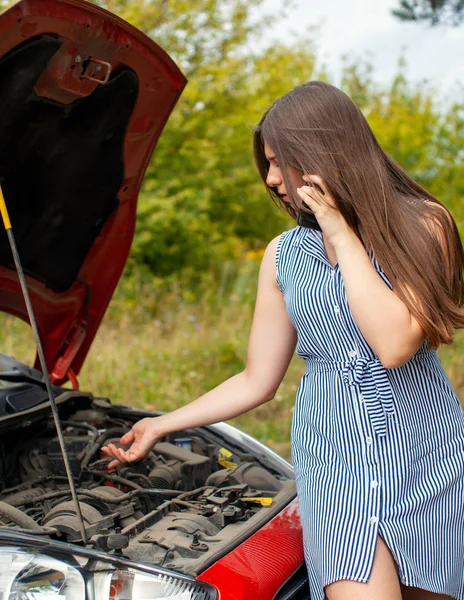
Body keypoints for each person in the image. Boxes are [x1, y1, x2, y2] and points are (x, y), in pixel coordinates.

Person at [102, 81, 464, 600]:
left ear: (324, 154)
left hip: (427, 452)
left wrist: (340, 232)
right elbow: (257, 379)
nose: (271, 179)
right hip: (338, 461)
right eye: (266, 164)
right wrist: (162, 423)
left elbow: (393, 343)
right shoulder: (282, 255)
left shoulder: (425, 224)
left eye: (280, 161)